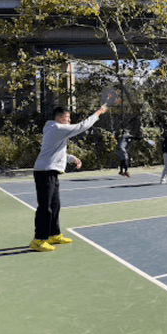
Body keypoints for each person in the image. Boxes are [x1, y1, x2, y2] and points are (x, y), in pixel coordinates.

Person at [30, 104, 108, 252]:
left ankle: (53, 234)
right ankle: (38, 240)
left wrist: (71, 158)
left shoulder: (54, 130)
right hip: (44, 172)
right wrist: (98, 112)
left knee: (55, 205)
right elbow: (81, 126)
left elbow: (55, 153)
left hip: (50, 171)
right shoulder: (57, 128)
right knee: (44, 208)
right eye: (67, 118)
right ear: (59, 118)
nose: (69, 120)